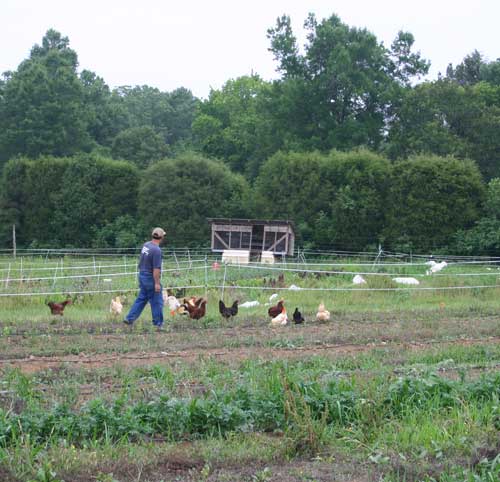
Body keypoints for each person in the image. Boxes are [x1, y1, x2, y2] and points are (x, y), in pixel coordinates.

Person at [124, 227, 166, 328]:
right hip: (149, 277)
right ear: (161, 237)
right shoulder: (157, 250)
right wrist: (156, 283)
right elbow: (156, 269)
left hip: (142, 274)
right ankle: (158, 324)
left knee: (142, 298)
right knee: (157, 301)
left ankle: (129, 318)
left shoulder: (146, 245)